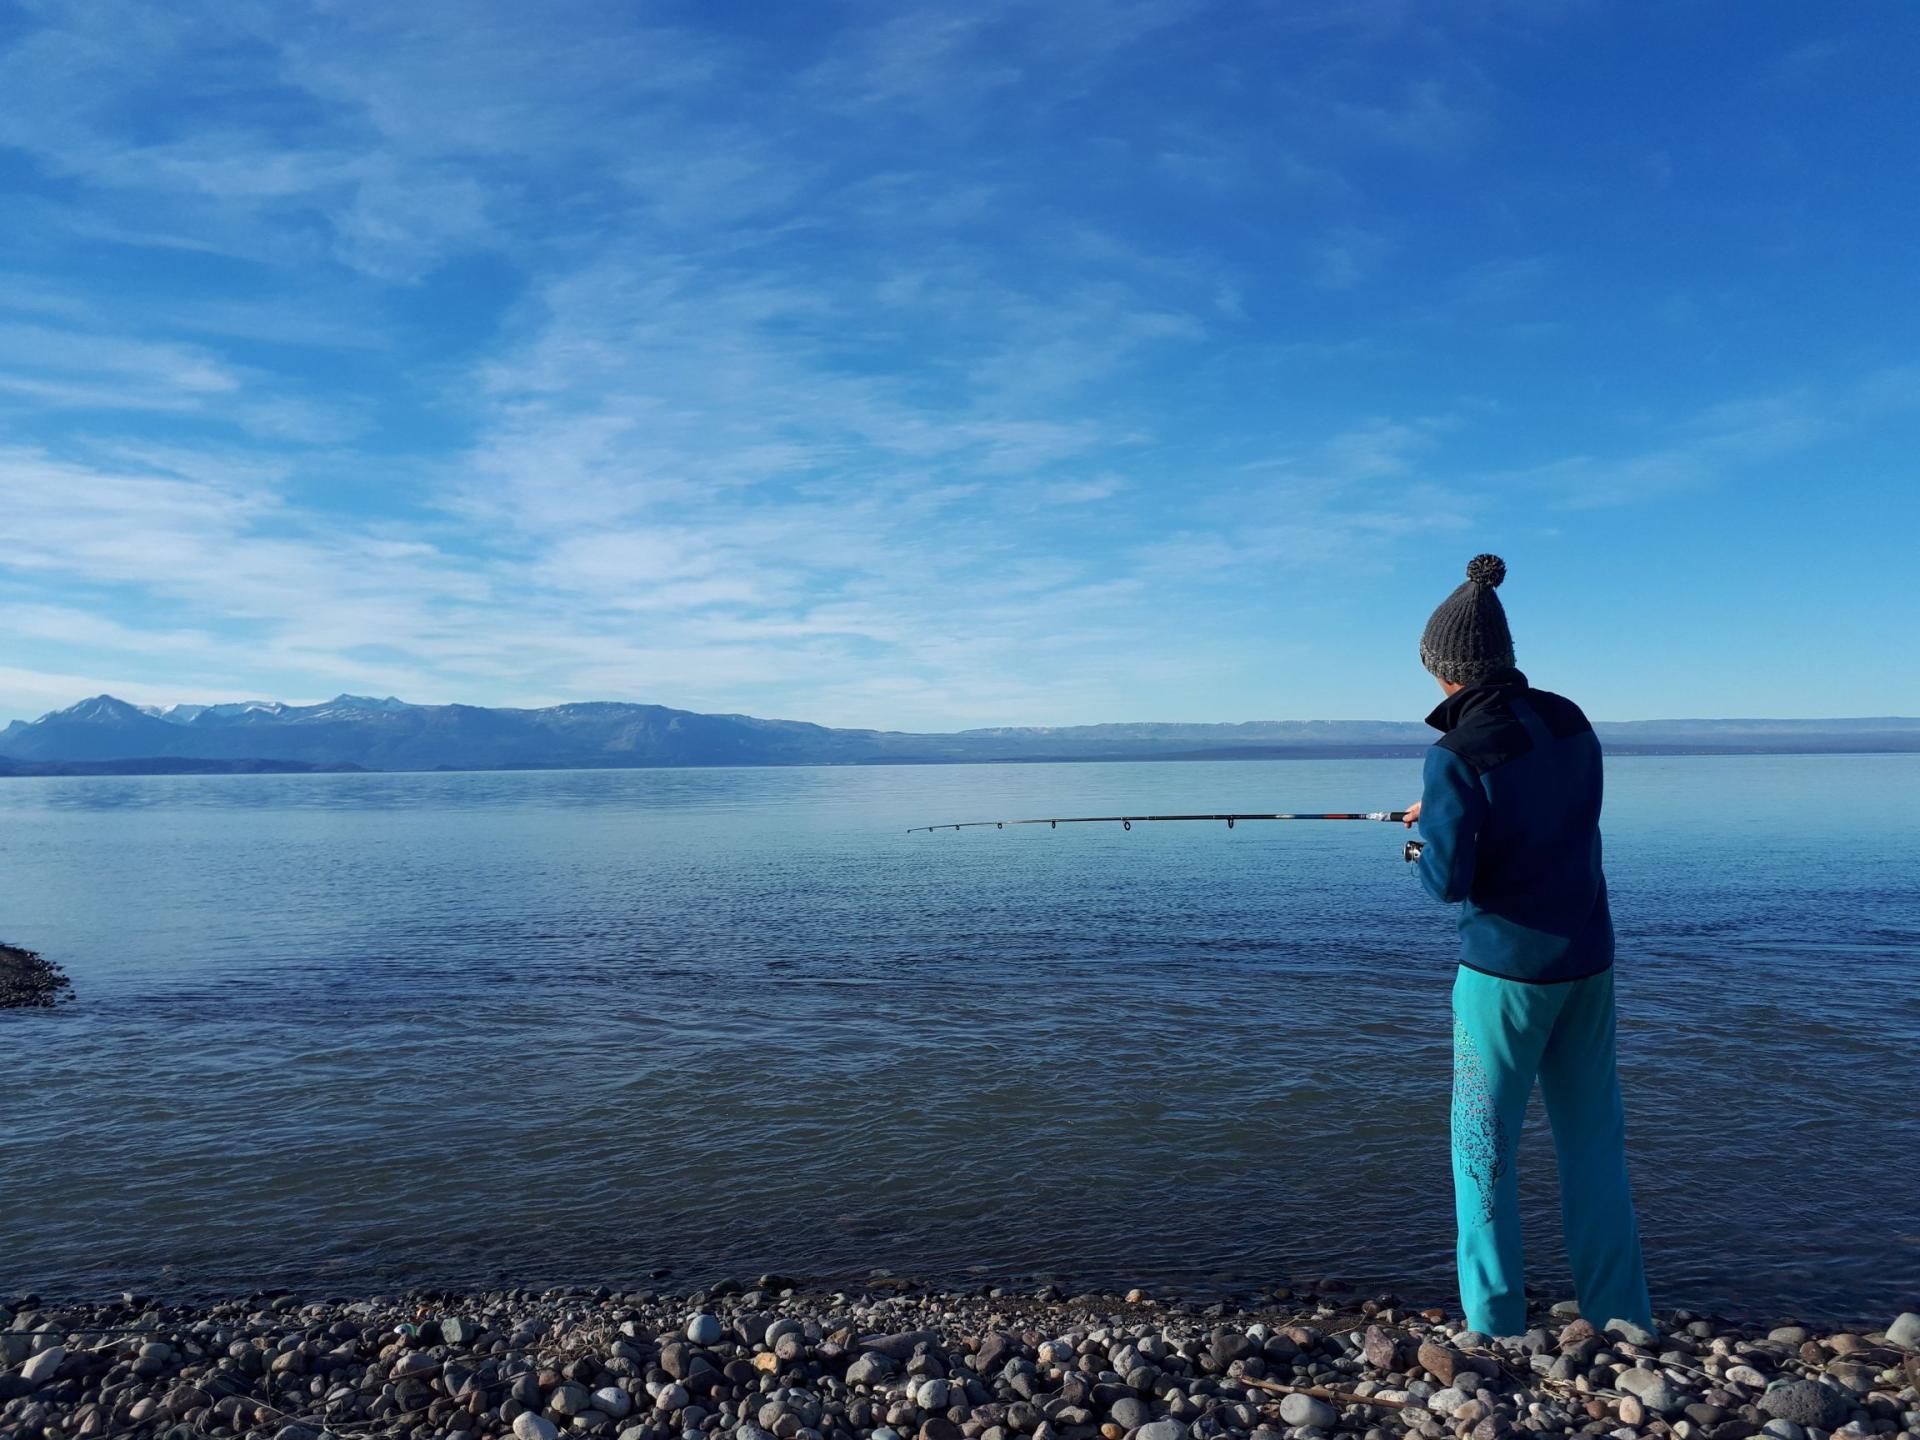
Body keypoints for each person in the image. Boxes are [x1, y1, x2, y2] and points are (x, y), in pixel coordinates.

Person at [1403, 553, 1651, 1337]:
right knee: (1593, 1147)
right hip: (1589, 959)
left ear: (1445, 671)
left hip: (1504, 975)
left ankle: (1496, 1322)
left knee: (1482, 1151)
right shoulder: (1572, 720)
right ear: (1504, 658)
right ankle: (1624, 1318)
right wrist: (1449, 812)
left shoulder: (1453, 753)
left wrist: (1423, 837)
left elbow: (1445, 882)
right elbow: (1550, 813)